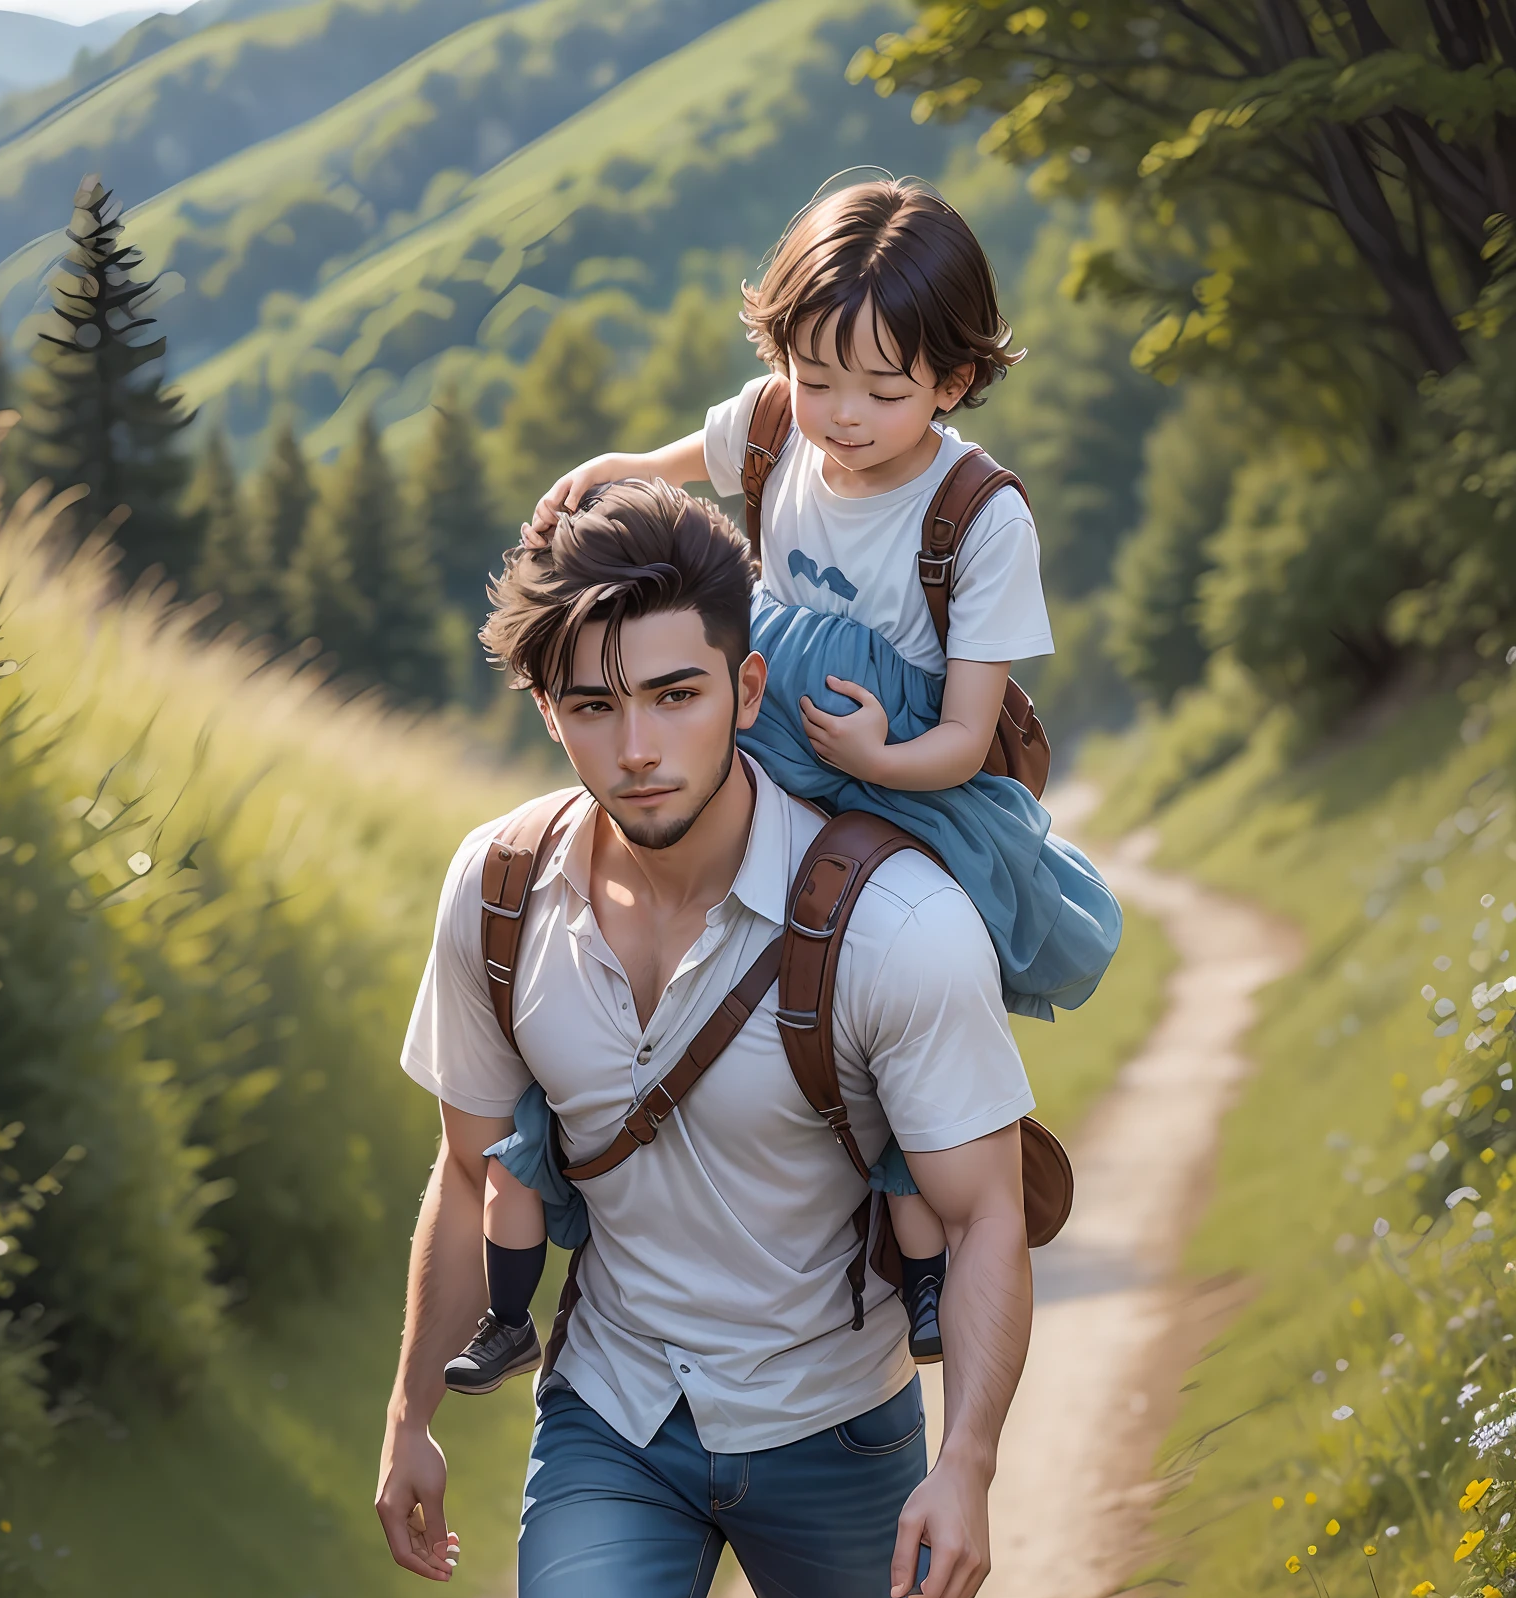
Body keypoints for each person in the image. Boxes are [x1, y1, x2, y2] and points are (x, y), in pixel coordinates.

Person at [375, 477, 1036, 1598]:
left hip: (838, 1419)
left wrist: (974, 1461)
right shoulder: (495, 894)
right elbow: (470, 1174)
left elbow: (991, 1206)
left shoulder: (893, 924)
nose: (640, 745)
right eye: (594, 706)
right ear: (550, 709)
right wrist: (407, 1411)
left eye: (676, 695)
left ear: (745, 687)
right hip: (613, 1422)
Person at [441, 179, 1117, 1400]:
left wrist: (871, 763)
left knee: (902, 967)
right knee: (613, 915)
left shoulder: (975, 516)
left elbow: (965, 736)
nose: (840, 417)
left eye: (881, 389)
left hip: (895, 773)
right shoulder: (773, 429)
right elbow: (671, 459)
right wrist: (606, 471)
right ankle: (534, 1233)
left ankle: (923, 1253)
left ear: (954, 381)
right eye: (816, 379)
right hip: (757, 734)